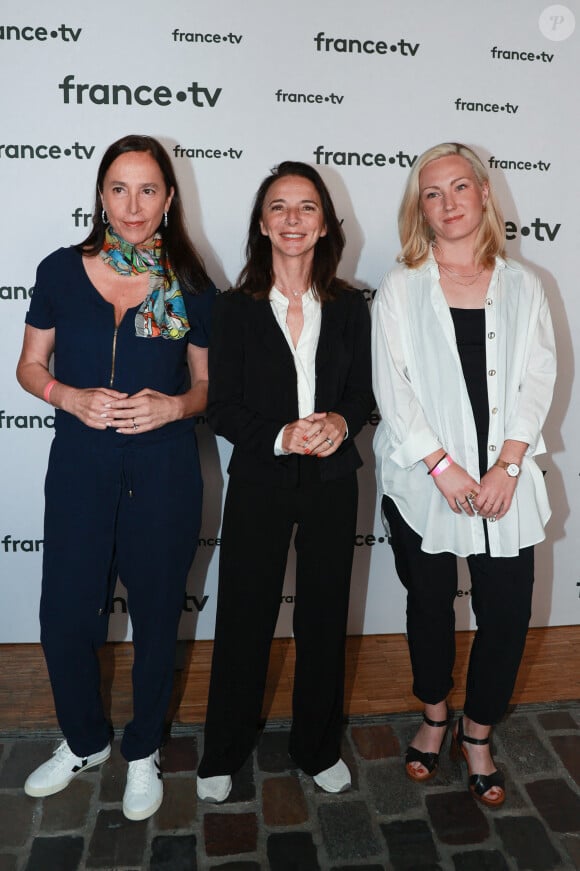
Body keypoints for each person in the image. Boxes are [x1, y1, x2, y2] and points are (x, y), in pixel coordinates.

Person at [17, 134, 215, 820]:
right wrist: (68, 396)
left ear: (168, 199)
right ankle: (85, 740)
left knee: (159, 618)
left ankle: (142, 750)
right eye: (119, 189)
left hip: (162, 470)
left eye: (148, 189)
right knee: (65, 615)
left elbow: (204, 387)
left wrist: (174, 406)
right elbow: (29, 365)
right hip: (79, 466)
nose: (133, 205)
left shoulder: (188, 282)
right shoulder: (60, 270)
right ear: (100, 196)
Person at [372, 142, 556, 807]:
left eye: (458, 187)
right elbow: (392, 387)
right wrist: (443, 466)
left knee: (505, 611)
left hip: (506, 478)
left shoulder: (525, 283)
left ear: (482, 191)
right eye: (432, 193)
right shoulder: (400, 286)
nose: (448, 203)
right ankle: (434, 716)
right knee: (428, 607)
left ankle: (477, 731)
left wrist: (508, 463)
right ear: (418, 207)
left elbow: (538, 378)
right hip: (425, 484)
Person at [196, 161, 374, 802]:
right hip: (261, 482)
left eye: (306, 207)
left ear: (325, 223)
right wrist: (279, 435)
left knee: (325, 619)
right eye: (279, 207)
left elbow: (364, 394)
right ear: (263, 224)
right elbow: (221, 406)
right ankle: (221, 754)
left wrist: (340, 420)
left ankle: (317, 746)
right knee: (244, 618)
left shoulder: (352, 306)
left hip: (332, 480)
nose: (293, 219)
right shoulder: (233, 309)